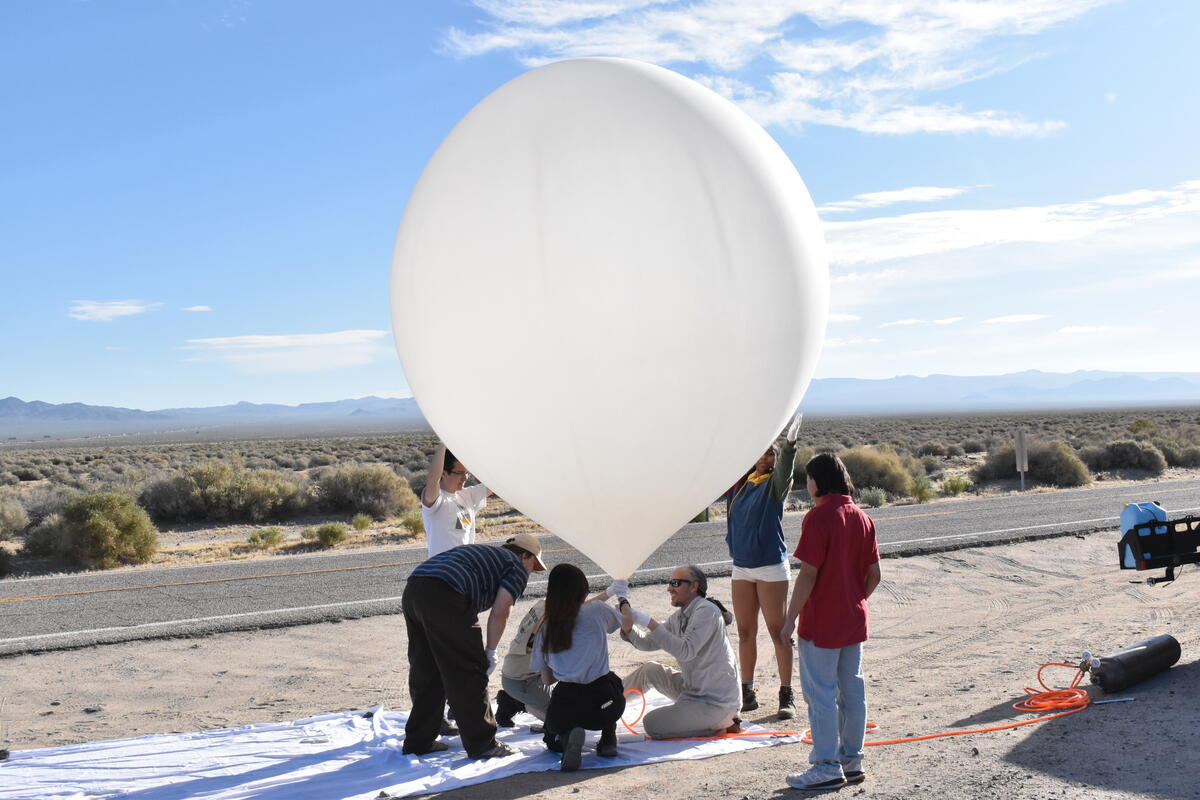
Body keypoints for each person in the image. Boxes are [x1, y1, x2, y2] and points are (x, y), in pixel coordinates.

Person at [780, 454, 881, 792]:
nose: (806, 485)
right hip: (853, 620)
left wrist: (789, 619)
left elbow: (808, 575)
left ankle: (825, 765)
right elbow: (874, 574)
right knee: (853, 691)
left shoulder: (818, 517)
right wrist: (855, 598)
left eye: (808, 478)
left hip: (822, 623)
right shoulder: (863, 518)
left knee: (821, 695)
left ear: (818, 481)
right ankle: (852, 761)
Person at [401, 534, 546, 759]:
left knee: (427, 669)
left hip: (415, 588)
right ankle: (483, 743)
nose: (530, 571)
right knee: (470, 671)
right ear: (524, 555)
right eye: (532, 565)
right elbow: (501, 611)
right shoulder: (515, 566)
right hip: (447, 593)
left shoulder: (487, 554)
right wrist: (489, 652)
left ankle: (419, 741)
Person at [724, 412, 803, 719]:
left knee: (777, 632)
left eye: (770, 452)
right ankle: (747, 691)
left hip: (771, 566)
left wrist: (791, 444)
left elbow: (785, 471)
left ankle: (786, 694)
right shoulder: (739, 487)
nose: (765, 457)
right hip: (741, 567)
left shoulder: (775, 485)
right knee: (745, 631)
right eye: (761, 451)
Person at [619, 565, 741, 739]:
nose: (669, 588)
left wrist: (649, 622)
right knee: (650, 670)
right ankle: (604, 705)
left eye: (675, 583)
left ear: (693, 586)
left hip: (715, 703)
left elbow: (686, 651)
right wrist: (629, 628)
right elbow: (647, 643)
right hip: (692, 691)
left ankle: (724, 723)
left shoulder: (707, 611)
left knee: (653, 724)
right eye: (670, 583)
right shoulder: (679, 617)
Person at [530, 564, 626, 771]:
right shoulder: (597, 611)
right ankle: (608, 737)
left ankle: (567, 739)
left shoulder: (545, 628)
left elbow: (547, 680)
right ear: (583, 588)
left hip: (568, 703)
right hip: (605, 700)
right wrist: (620, 598)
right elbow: (623, 622)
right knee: (614, 681)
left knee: (551, 738)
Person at [497, 579, 628, 728]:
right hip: (521, 680)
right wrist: (622, 601)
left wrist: (608, 593)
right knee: (564, 721)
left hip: (523, 671)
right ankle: (515, 703)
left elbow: (580, 608)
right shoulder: (549, 623)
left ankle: (520, 698)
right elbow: (547, 674)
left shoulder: (546, 605)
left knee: (567, 708)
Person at [421, 443, 490, 558]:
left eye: (466, 473)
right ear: (443, 473)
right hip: (441, 570)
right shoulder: (437, 499)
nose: (465, 478)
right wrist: (443, 444)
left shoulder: (468, 495)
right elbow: (433, 479)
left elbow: (495, 483)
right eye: (459, 473)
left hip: (464, 568)